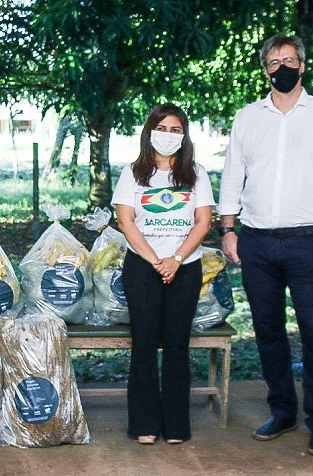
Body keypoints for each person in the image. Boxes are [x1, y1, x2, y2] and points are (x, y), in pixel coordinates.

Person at [218, 33, 313, 456]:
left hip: (309, 242)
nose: (283, 66)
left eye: (290, 59)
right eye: (274, 61)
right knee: (267, 331)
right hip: (257, 243)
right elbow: (231, 176)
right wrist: (227, 229)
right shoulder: (248, 117)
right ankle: (282, 410)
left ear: (302, 66)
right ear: (265, 69)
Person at [112, 103, 215, 445]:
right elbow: (126, 221)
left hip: (184, 267)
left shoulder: (197, 173)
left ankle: (176, 426)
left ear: (184, 135)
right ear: (149, 132)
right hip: (143, 267)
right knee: (143, 345)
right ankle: (144, 424)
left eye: (175, 129)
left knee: (176, 346)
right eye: (162, 128)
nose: (168, 135)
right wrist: (157, 260)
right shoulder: (133, 173)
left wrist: (176, 258)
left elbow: (203, 222)